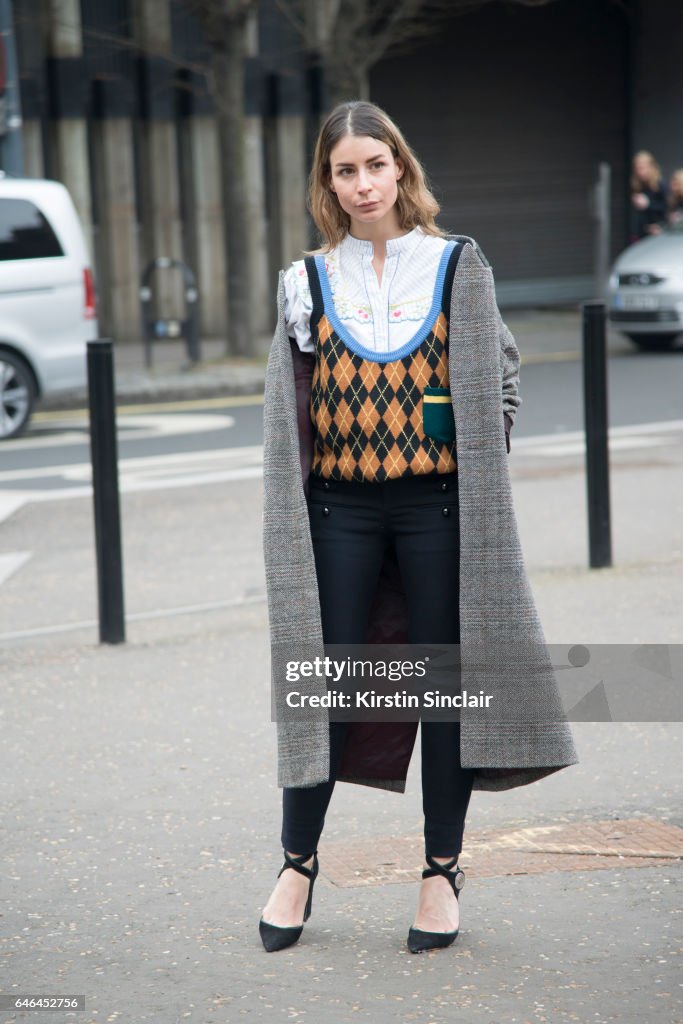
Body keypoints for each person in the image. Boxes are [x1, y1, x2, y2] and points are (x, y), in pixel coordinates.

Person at [260, 101, 577, 955]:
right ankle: (297, 863)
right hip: (337, 510)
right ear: (326, 184)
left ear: (401, 167)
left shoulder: (456, 266)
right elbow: (289, 411)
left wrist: (480, 438)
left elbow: (501, 375)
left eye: (374, 164)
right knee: (324, 688)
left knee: (446, 694)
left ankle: (441, 872)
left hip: (440, 509)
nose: (362, 184)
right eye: (343, 170)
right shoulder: (305, 280)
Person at [630, 150, 668, 240]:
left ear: (651, 168)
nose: (639, 172)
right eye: (637, 169)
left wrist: (648, 204)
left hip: (657, 232)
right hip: (640, 233)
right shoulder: (637, 186)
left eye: (642, 168)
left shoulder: (660, 186)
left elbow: (667, 208)